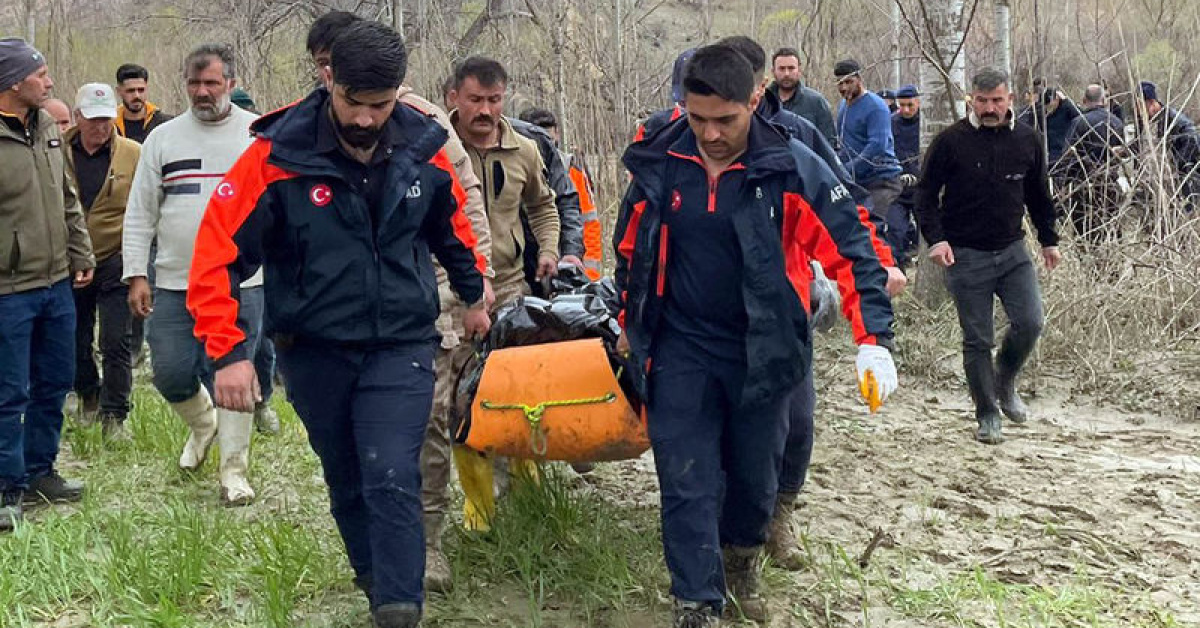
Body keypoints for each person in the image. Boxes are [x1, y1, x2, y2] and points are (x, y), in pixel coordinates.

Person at [189, 21, 489, 628]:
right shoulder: (275, 156)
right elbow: (216, 254)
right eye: (354, 102)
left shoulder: (423, 147)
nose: (365, 119)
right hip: (313, 348)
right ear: (329, 80)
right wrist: (229, 353)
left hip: (401, 342)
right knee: (348, 475)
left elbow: (454, 227)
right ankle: (377, 583)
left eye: (380, 105)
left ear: (398, 93)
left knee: (390, 471)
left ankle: (400, 610)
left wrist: (475, 293)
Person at [614, 44, 897, 626]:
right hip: (679, 346)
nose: (711, 134)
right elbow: (629, 249)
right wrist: (628, 322)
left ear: (754, 100)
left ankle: (741, 559)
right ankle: (695, 601)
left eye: (726, 120)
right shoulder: (660, 160)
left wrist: (872, 340)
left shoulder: (789, 166)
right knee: (686, 479)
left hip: (764, 348)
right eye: (698, 120)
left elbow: (854, 247)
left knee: (752, 479)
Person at [304, 9, 495, 595]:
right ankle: (382, 544)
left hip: (423, 293)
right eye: (321, 67)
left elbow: (464, 209)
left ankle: (427, 541)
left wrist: (474, 286)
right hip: (340, 311)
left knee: (429, 422)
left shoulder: (422, 123)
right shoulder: (307, 124)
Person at [122, 44, 264, 506]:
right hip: (174, 279)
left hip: (243, 282)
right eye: (194, 83)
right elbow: (141, 211)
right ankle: (205, 424)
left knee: (235, 373)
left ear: (232, 84)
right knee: (169, 371)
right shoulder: (163, 139)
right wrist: (135, 273)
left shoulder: (257, 137)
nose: (202, 92)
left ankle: (233, 472)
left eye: (212, 83)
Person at [916, 67, 1062, 445]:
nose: (989, 108)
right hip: (965, 255)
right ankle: (987, 414)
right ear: (972, 101)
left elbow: (1038, 196)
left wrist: (1049, 240)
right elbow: (925, 196)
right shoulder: (950, 142)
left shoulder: (1029, 140)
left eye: (996, 100)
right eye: (982, 101)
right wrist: (937, 240)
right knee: (978, 340)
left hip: (1013, 250)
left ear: (1009, 99)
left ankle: (1005, 381)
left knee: (1030, 323)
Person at [447, 55, 560, 530]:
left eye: (494, 100)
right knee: (459, 397)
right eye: (475, 99)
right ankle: (479, 505)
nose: (485, 110)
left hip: (512, 284)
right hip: (452, 293)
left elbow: (543, 205)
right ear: (454, 98)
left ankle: (526, 484)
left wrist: (550, 249)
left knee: (518, 390)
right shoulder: (435, 146)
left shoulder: (526, 150)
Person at [0, 38, 94, 532]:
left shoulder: (47, 128)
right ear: (14, 81)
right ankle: (5, 487)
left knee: (55, 380)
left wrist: (80, 253)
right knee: (8, 391)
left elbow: (67, 198)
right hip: (8, 291)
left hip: (57, 282)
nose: (49, 81)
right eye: (40, 74)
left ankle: (40, 471)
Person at [65, 83, 141, 440]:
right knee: (75, 337)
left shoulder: (132, 153)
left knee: (115, 339)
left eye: (106, 119)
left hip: (116, 257)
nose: (100, 127)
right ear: (77, 117)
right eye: (93, 120)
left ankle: (115, 414)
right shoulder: (56, 150)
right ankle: (88, 394)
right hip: (70, 259)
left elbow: (144, 207)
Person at [518, 106, 605, 280]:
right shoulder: (514, 164)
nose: (547, 146)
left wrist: (587, 276)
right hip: (522, 265)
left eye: (549, 139)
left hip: (564, 261)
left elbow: (588, 222)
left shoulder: (570, 167)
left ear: (557, 133)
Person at [834, 59, 905, 259]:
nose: (844, 87)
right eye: (840, 83)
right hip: (856, 182)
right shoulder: (843, 106)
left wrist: (849, 168)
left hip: (881, 180)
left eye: (848, 82)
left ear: (859, 79)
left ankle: (890, 276)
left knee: (875, 231)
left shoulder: (875, 107)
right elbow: (842, 142)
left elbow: (878, 145)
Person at [1062, 84, 1125, 244]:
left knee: (1085, 237)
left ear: (1084, 101)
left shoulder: (1078, 123)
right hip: (1110, 187)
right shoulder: (1116, 122)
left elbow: (1067, 158)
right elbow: (1121, 153)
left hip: (1083, 189)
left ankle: (1089, 267)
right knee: (1111, 233)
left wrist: (1063, 184)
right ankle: (1112, 267)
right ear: (1104, 100)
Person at [1139, 80, 1200, 205]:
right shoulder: (1145, 122)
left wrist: (1175, 167)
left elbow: (1193, 141)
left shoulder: (1175, 120)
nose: (1138, 110)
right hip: (1154, 185)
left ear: (1151, 103)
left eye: (1140, 105)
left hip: (1179, 185)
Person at [767, 47, 837, 147]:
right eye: (781, 69)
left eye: (791, 68)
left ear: (799, 70)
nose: (786, 74)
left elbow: (829, 144)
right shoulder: (762, 102)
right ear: (773, 71)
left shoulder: (816, 102)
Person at [890, 84, 921, 265]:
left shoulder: (925, 123)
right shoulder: (890, 123)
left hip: (921, 186)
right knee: (895, 230)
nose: (906, 110)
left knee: (925, 230)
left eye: (910, 105)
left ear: (918, 102)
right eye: (902, 105)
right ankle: (898, 268)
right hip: (897, 188)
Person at [1017, 86, 1082, 172]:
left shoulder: (1066, 108)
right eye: (1046, 106)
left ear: (1057, 99)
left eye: (1050, 105)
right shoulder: (1040, 111)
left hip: (1063, 151)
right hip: (1048, 152)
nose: (1048, 109)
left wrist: (1066, 101)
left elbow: (1081, 118)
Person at [114, 63, 173, 143]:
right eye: (130, 91)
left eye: (141, 90)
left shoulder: (165, 124)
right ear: (119, 91)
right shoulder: (110, 127)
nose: (136, 96)